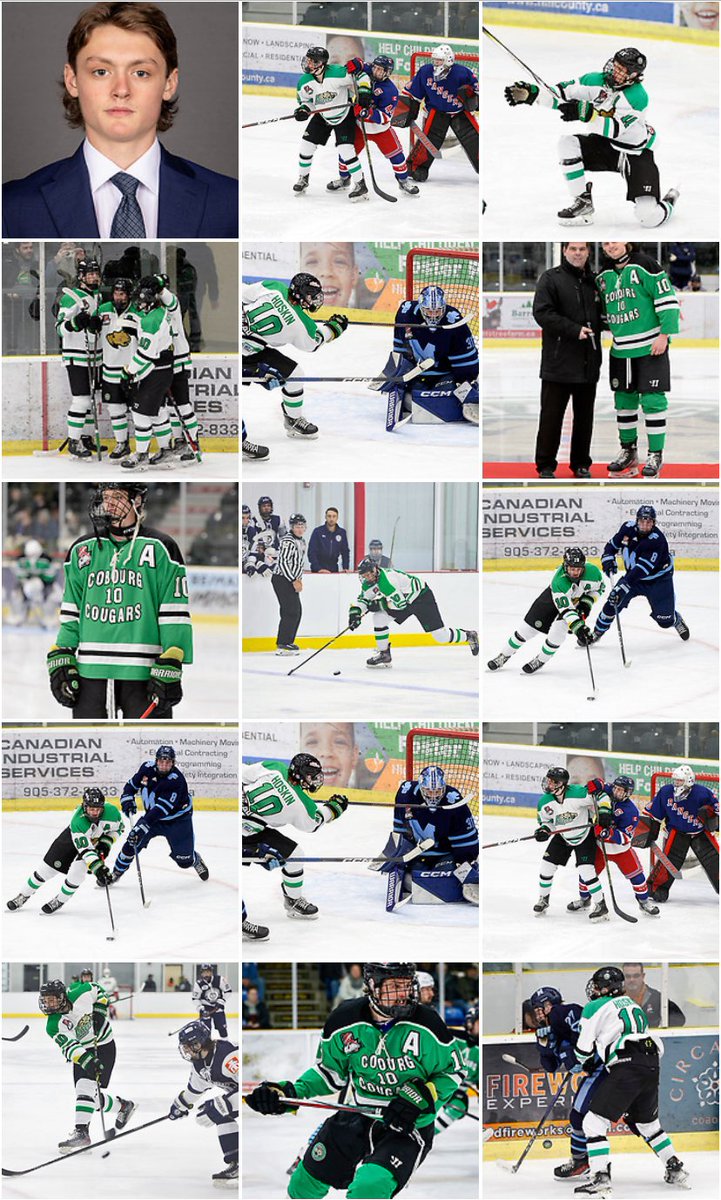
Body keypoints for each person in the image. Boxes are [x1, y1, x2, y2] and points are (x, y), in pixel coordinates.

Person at [2, 2, 237, 237]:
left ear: (169, 84)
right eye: (101, 71)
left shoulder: (231, 203)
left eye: (141, 73)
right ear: (72, 80)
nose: (121, 90)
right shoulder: (12, 208)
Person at [244, 963, 463, 1200]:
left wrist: (424, 1095)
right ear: (373, 987)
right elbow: (329, 1073)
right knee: (302, 1186)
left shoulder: (427, 1024)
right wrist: (290, 1092)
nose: (403, 994)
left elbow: (452, 1073)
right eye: (394, 986)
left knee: (369, 1188)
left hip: (407, 1126)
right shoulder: (344, 1020)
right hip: (357, 1114)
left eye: (407, 985)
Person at [47, 483, 193, 719]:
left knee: (146, 747)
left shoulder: (161, 548)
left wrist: (172, 659)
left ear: (136, 501)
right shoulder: (82, 549)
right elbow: (72, 609)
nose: (109, 503)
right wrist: (62, 652)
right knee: (92, 748)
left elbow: (173, 611)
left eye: (117, 497)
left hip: (144, 672)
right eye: (106, 497)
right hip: (90, 671)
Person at [504, 48, 678, 228]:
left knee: (649, 217)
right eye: (615, 65)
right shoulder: (594, 80)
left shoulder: (637, 97)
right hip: (607, 146)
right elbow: (560, 93)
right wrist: (533, 95)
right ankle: (583, 203)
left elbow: (614, 129)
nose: (614, 71)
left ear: (633, 75)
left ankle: (670, 200)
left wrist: (585, 114)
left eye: (621, 70)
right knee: (567, 143)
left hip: (635, 152)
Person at [572, 966, 689, 1196]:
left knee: (593, 1123)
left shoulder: (594, 1006)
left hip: (627, 1063)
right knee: (648, 1124)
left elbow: (583, 1049)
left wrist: (581, 1062)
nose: (594, 989)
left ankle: (600, 1178)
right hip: (651, 1062)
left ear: (604, 988)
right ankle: (674, 1167)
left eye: (597, 985)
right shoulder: (632, 1004)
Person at [597, 243, 680, 478]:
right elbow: (604, 311)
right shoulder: (603, 274)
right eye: (606, 242)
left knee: (653, 401)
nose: (611, 245)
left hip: (650, 346)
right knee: (624, 402)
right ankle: (628, 450)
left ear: (627, 241)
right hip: (621, 350)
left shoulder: (646, 264)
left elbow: (667, 300)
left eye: (615, 240)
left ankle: (656, 454)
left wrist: (664, 334)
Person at [242, 272, 349, 452]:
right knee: (295, 375)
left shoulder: (273, 286)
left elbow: (243, 294)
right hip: (251, 353)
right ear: (299, 293)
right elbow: (312, 344)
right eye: (311, 295)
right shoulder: (301, 323)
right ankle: (293, 419)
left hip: (235, 339)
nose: (314, 299)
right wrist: (333, 328)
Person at [242, 752, 348, 920]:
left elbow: (244, 774)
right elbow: (313, 824)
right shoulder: (303, 805)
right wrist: (334, 808)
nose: (314, 780)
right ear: (299, 774)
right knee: (295, 856)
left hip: (242, 822)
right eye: (311, 776)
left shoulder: (274, 767)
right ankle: (293, 900)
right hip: (252, 833)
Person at [39, 977, 136, 1153]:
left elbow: (98, 990)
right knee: (90, 1097)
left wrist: (99, 1011)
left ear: (62, 997)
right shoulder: (53, 1024)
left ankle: (82, 1134)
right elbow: (69, 1046)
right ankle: (123, 1106)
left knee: (85, 1089)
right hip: (83, 1052)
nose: (48, 1004)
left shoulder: (80, 993)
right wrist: (87, 1060)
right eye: (45, 1000)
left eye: (51, 999)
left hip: (104, 1046)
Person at [532, 242, 603, 478]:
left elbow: (602, 315)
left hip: (588, 361)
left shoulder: (595, 281)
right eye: (573, 249)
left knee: (584, 419)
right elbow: (542, 313)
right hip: (558, 362)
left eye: (582, 249)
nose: (578, 253)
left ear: (588, 252)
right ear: (564, 251)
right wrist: (574, 330)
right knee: (551, 417)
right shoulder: (551, 279)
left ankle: (581, 463)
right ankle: (545, 465)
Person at [488, 547, 604, 674]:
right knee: (526, 630)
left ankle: (541, 660)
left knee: (558, 631)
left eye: (578, 569)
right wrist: (578, 627)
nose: (575, 573)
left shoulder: (594, 573)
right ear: (565, 566)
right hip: (553, 598)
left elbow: (600, 588)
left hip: (576, 602)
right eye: (572, 569)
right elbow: (566, 610)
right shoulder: (559, 581)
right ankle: (504, 655)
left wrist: (586, 603)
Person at [6, 787, 122, 915]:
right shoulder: (77, 821)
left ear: (103, 807)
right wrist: (98, 868)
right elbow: (85, 850)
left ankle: (60, 900)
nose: (94, 813)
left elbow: (118, 829)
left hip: (95, 841)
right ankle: (23, 895)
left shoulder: (112, 813)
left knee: (77, 872)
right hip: (73, 839)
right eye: (91, 809)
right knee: (46, 870)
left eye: (97, 809)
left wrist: (105, 843)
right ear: (84, 806)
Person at [350, 557, 478, 669]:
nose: (368, 577)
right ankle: (384, 654)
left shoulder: (387, 581)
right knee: (379, 618)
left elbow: (400, 605)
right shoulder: (368, 584)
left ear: (375, 569)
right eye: (365, 575)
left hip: (421, 597)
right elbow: (363, 599)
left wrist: (378, 605)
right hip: (403, 599)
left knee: (441, 636)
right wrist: (355, 614)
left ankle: (469, 635)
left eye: (369, 574)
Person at [379, 765, 478, 907]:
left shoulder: (454, 801)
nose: (433, 796)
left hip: (445, 855)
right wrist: (398, 858)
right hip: (419, 854)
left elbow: (467, 844)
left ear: (444, 787)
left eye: (437, 791)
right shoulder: (405, 794)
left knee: (444, 877)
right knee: (414, 875)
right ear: (421, 787)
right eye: (428, 791)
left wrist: (465, 864)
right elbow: (400, 831)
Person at [382, 284, 478, 428]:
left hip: (445, 374)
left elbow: (467, 363)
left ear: (444, 307)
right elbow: (400, 348)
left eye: (438, 311)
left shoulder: (454, 321)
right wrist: (399, 373)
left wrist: (464, 383)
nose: (433, 315)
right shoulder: (405, 313)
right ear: (421, 307)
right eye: (428, 311)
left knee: (446, 395)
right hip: (418, 372)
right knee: (413, 394)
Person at [592, 505, 689, 644]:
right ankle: (596, 632)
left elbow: (641, 570)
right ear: (637, 520)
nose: (645, 525)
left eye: (649, 522)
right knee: (612, 603)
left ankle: (675, 619)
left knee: (664, 621)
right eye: (642, 521)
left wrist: (623, 587)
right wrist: (608, 559)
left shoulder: (657, 540)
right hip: (633, 579)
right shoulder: (627, 528)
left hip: (658, 581)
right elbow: (611, 546)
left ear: (653, 523)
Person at [112, 744, 209, 883]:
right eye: (161, 762)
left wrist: (141, 828)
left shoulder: (176, 781)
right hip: (152, 818)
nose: (164, 766)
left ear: (173, 763)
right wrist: (127, 800)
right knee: (131, 844)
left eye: (168, 762)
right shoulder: (146, 768)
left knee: (184, 861)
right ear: (156, 761)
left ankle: (194, 859)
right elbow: (131, 786)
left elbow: (159, 810)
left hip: (177, 821)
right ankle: (115, 872)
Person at [567, 777, 659, 918]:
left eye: (621, 790)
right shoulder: (609, 791)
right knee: (586, 874)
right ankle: (584, 900)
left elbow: (626, 837)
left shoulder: (631, 811)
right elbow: (599, 785)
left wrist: (608, 833)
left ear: (628, 793)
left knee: (637, 876)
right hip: (599, 847)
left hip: (620, 851)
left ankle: (644, 901)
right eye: (615, 788)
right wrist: (596, 783)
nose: (616, 792)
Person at [326, 56, 419, 197]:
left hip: (380, 130)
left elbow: (385, 117)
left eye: (380, 70)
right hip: (359, 127)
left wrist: (368, 113)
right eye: (375, 67)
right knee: (346, 153)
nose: (376, 71)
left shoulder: (390, 91)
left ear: (388, 73)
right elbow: (361, 64)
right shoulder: (370, 71)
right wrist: (356, 62)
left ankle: (403, 181)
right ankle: (344, 179)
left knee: (397, 156)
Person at [532, 767, 610, 921]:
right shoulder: (544, 802)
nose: (549, 784)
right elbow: (547, 823)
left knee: (586, 870)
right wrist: (544, 830)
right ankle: (543, 899)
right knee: (546, 867)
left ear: (563, 784)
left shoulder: (578, 793)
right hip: (562, 835)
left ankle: (601, 905)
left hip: (584, 835)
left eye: (554, 781)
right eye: (549, 780)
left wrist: (604, 812)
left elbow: (601, 796)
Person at [292, 47, 369, 202]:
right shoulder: (304, 82)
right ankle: (303, 178)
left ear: (322, 64)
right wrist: (303, 110)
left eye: (313, 61)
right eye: (308, 59)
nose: (309, 63)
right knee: (306, 145)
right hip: (322, 115)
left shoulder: (338, 73)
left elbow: (362, 75)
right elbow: (307, 102)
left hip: (343, 114)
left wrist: (365, 92)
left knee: (346, 150)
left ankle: (360, 185)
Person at [167, 1022, 238, 1188]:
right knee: (220, 1114)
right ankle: (237, 1163)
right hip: (239, 1099)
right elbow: (193, 1091)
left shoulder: (229, 1057)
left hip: (251, 1099)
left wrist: (223, 1105)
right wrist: (180, 1105)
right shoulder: (200, 1063)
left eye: (187, 1047)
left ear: (198, 1044)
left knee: (218, 1109)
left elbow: (249, 1092)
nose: (185, 1051)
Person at [396, 44, 478, 181]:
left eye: (439, 60)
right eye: (434, 60)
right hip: (436, 111)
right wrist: (409, 109)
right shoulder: (425, 72)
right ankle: (416, 167)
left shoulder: (462, 73)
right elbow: (414, 93)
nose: (436, 63)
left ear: (448, 60)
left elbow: (476, 91)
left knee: (474, 139)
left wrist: (473, 99)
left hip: (459, 112)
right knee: (428, 140)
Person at [637, 764, 718, 902]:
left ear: (689, 780)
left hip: (700, 833)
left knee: (714, 861)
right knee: (669, 861)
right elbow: (655, 813)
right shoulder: (666, 792)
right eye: (675, 780)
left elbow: (716, 811)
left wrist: (712, 818)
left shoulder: (702, 793)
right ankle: (656, 888)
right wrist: (652, 829)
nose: (676, 783)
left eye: (680, 781)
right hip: (677, 832)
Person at [54, 257, 104, 458]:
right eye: (90, 273)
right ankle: (74, 442)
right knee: (82, 400)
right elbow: (59, 329)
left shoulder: (98, 297)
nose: (94, 277)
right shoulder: (70, 297)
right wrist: (75, 323)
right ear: (81, 276)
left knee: (92, 399)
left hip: (94, 357)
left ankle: (84, 438)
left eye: (96, 273)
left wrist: (94, 326)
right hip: (76, 357)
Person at [96, 275, 137, 459]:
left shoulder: (138, 312)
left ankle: (146, 447)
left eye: (122, 294)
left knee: (140, 411)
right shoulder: (103, 309)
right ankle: (122, 444)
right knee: (115, 409)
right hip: (110, 370)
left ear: (129, 295)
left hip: (132, 371)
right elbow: (92, 330)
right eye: (116, 293)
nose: (118, 297)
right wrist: (90, 324)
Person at [435, 1002, 479, 1135]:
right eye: (479, 1023)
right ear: (470, 1023)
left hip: (457, 1090)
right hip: (437, 1082)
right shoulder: (451, 1037)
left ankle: (426, 1135)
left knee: (457, 1106)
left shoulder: (482, 1050)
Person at [271, 513, 307, 655]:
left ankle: (288, 641)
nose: (299, 529)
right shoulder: (288, 541)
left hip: (291, 579)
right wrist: (293, 580)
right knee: (290, 611)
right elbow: (283, 562)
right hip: (282, 579)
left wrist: (298, 579)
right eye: (296, 526)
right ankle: (283, 644)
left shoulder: (302, 541)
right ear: (292, 527)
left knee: (296, 611)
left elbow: (298, 562)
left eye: (301, 526)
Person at [621, 964, 686, 1028]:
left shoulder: (656, 997)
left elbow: (679, 1019)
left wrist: (659, 1033)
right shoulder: (616, 997)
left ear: (643, 976)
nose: (632, 980)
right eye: (627, 976)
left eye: (636, 976)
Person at [193, 964, 232, 1038]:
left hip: (218, 1007)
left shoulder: (220, 979)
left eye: (208, 972)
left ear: (211, 972)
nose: (206, 974)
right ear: (201, 973)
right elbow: (195, 999)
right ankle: (207, 1045)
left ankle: (225, 1043)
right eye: (204, 972)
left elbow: (228, 991)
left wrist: (222, 1000)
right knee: (205, 1030)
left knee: (222, 1028)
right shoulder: (198, 983)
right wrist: (201, 1008)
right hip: (206, 1008)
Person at [308, 507, 350, 573]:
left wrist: (345, 567)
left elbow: (345, 551)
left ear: (337, 518)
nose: (331, 519)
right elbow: (311, 552)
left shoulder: (342, 533)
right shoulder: (318, 532)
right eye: (329, 516)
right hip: (318, 570)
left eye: (334, 516)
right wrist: (318, 568)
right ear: (325, 517)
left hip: (333, 569)